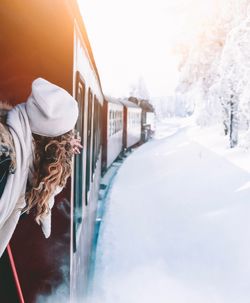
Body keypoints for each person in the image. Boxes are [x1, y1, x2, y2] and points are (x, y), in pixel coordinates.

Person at [0, 78, 82, 257]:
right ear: (51, 147)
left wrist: (63, 147)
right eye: (65, 139)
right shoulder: (5, 160)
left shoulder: (17, 140)